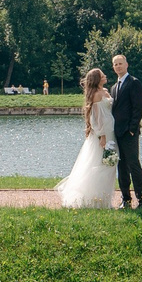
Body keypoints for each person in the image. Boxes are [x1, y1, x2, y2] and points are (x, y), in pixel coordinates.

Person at [54, 66, 116, 208]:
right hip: (103, 134)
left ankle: (105, 199)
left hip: (111, 131)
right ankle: (94, 200)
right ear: (97, 79)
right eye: (102, 75)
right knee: (100, 165)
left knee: (109, 166)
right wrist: (102, 136)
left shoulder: (105, 91)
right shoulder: (96, 95)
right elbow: (96, 118)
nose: (105, 76)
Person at [111, 52, 142, 210]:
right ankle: (125, 199)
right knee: (122, 167)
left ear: (126, 65)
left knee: (134, 166)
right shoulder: (114, 87)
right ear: (113, 67)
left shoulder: (134, 83)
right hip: (117, 133)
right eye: (115, 64)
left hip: (129, 133)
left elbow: (138, 107)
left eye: (120, 63)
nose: (118, 66)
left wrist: (132, 129)